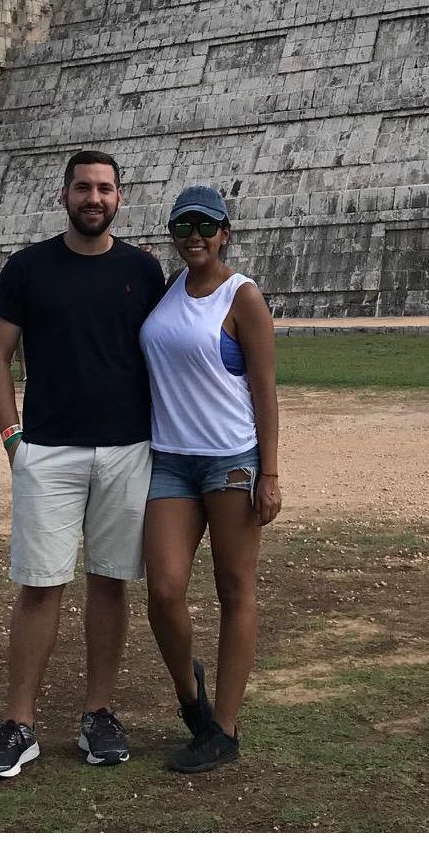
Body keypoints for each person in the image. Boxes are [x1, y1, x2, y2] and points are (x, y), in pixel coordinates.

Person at [0, 150, 166, 780]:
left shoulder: (144, 269)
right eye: (83, 187)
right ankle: (19, 721)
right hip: (49, 451)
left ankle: (99, 713)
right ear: (63, 196)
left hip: (126, 448)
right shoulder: (28, 268)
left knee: (110, 582)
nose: (94, 198)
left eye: (105, 189)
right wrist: (13, 441)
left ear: (120, 199)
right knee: (40, 584)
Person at [140, 185, 282, 773]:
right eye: (182, 227)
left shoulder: (241, 295)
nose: (193, 236)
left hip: (229, 459)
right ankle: (189, 694)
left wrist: (269, 471)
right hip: (170, 457)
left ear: (226, 232)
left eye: (206, 226)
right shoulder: (167, 289)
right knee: (164, 590)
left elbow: (264, 390)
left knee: (233, 589)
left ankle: (223, 727)